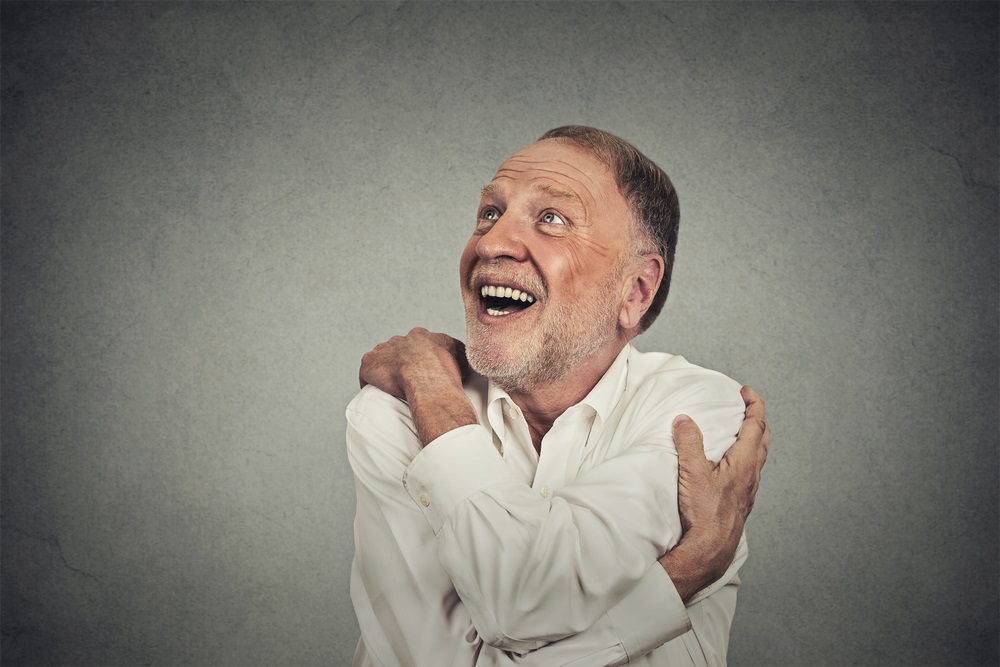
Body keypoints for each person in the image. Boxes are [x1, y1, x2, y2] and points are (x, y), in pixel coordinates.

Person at [348, 126, 770, 666]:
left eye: (552, 219)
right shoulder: (392, 414)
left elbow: (522, 601)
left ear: (636, 291)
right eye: (489, 213)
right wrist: (682, 577)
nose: (491, 243)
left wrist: (436, 397)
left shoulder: (701, 413)